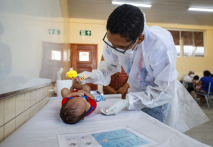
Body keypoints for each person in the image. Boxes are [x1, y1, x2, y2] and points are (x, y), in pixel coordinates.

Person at [77, 4, 208, 132]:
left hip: (157, 99)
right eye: (111, 44)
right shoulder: (116, 40)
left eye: (121, 47)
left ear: (140, 38)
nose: (114, 49)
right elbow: (110, 64)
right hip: (134, 94)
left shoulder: (160, 46)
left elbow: (163, 90)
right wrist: (94, 76)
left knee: (152, 134)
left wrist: (127, 102)